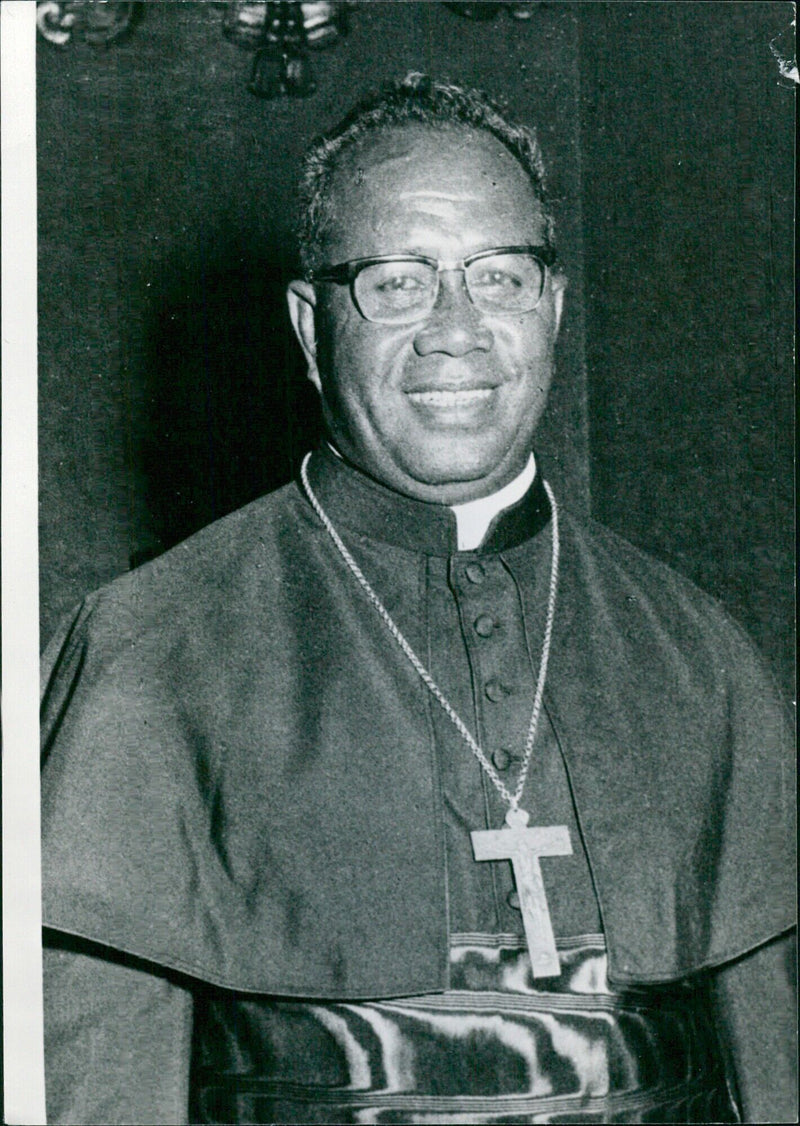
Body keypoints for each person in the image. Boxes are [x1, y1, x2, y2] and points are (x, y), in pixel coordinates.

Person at [40, 76, 795, 1125]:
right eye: (397, 282)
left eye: (498, 277)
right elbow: (94, 1087)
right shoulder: (149, 651)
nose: (456, 330)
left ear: (553, 303)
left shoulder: (696, 650)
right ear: (312, 328)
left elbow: (774, 1065)